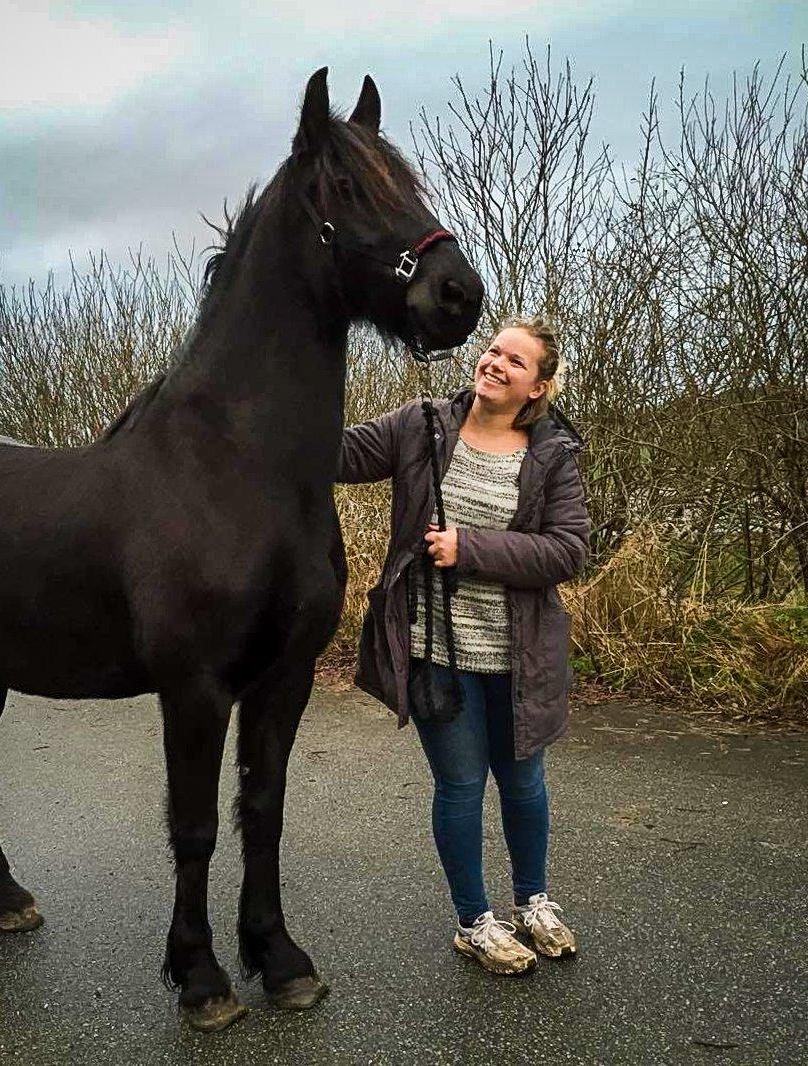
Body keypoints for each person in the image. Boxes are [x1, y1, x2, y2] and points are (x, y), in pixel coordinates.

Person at [337, 315, 591, 976]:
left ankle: (532, 902)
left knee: (523, 784)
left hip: (519, 656)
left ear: (536, 387)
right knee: (458, 786)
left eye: (514, 361)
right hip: (435, 651)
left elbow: (567, 550)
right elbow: (334, 455)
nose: (495, 363)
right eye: (493, 350)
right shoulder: (421, 425)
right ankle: (475, 920)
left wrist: (468, 548)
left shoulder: (550, 453)